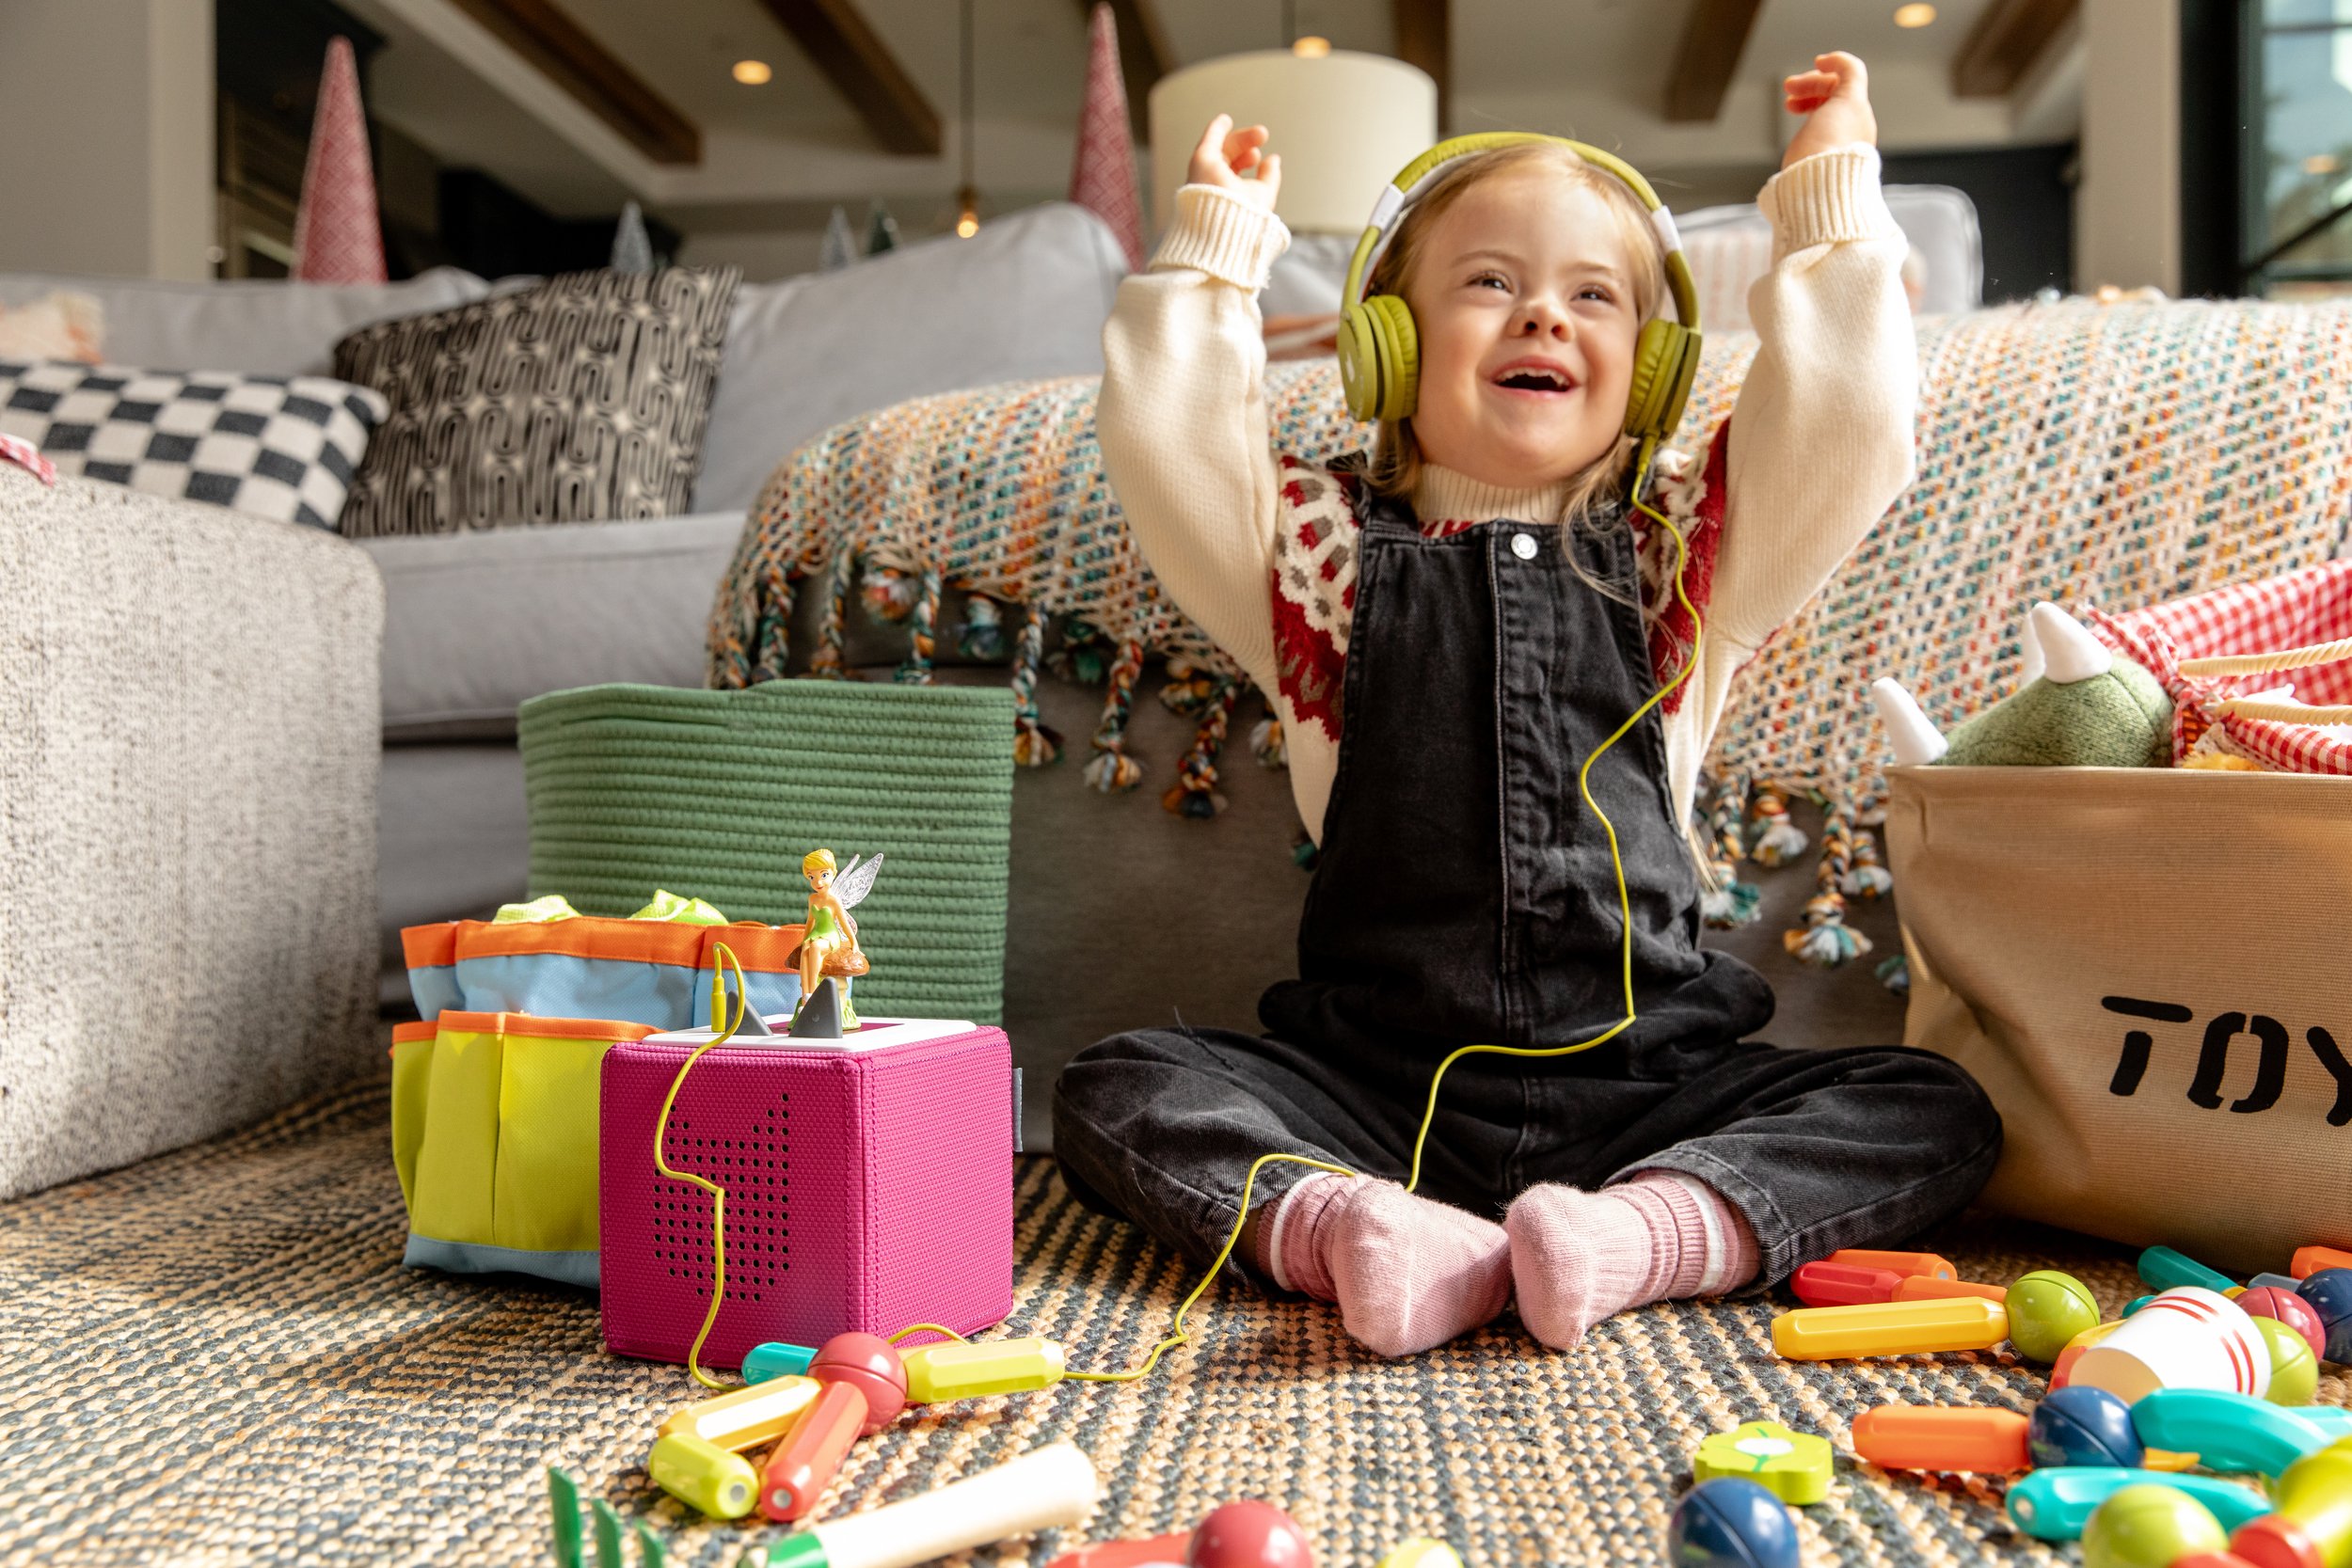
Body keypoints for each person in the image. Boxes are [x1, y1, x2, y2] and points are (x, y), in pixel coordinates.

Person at [1052, 53, 2002, 1358]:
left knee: (1928, 1104)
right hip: (1375, 1087)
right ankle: (1353, 1227)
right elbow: (1170, 443)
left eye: (1592, 296)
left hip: (1652, 1083)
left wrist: (1829, 195)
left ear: (1652, 371)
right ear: (1389, 344)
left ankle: (1637, 1238)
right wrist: (1210, 257)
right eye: (1490, 283)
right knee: (1118, 1087)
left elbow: (1851, 425)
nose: (1542, 317)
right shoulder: (1317, 558)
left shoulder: (1685, 558)